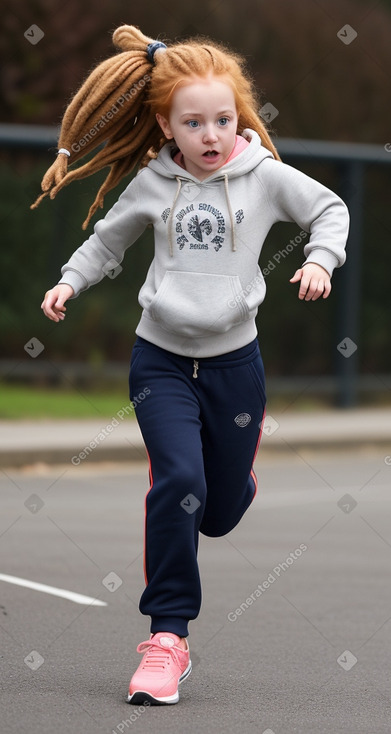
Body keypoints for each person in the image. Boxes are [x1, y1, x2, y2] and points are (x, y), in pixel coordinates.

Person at [37, 24, 349, 706]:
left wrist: (318, 259)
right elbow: (104, 242)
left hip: (236, 367)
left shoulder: (263, 177)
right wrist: (68, 280)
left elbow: (328, 208)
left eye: (222, 120)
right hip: (161, 364)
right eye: (192, 122)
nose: (210, 135)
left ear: (239, 117)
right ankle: (166, 638)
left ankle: (235, 486)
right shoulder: (154, 182)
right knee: (179, 481)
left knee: (215, 511)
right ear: (164, 124)